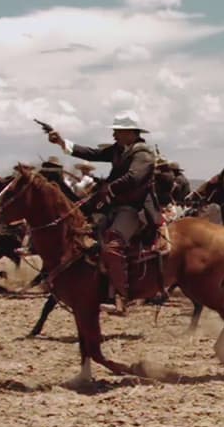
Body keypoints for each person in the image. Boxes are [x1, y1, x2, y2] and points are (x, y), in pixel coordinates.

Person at [46, 112, 157, 306]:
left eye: (117, 132)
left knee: (113, 246)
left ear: (130, 132)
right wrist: (62, 143)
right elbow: (92, 153)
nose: (113, 136)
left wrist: (109, 187)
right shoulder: (119, 149)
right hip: (115, 206)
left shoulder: (143, 155)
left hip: (134, 209)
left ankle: (122, 296)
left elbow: (133, 178)